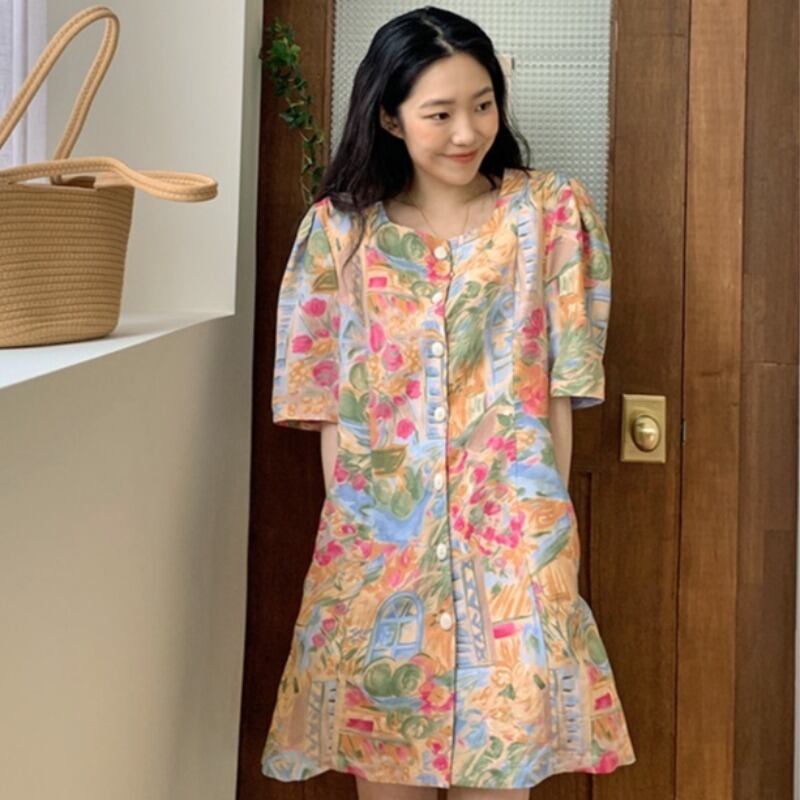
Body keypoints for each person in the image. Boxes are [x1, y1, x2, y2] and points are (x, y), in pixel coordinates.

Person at [262, 6, 636, 799]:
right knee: (385, 772)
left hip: (513, 561)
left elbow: (560, 393)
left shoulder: (549, 216)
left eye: (483, 104)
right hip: (379, 560)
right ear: (389, 117)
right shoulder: (338, 235)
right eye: (439, 113)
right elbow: (327, 409)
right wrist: (365, 555)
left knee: (505, 774)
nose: (467, 132)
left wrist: (547, 548)